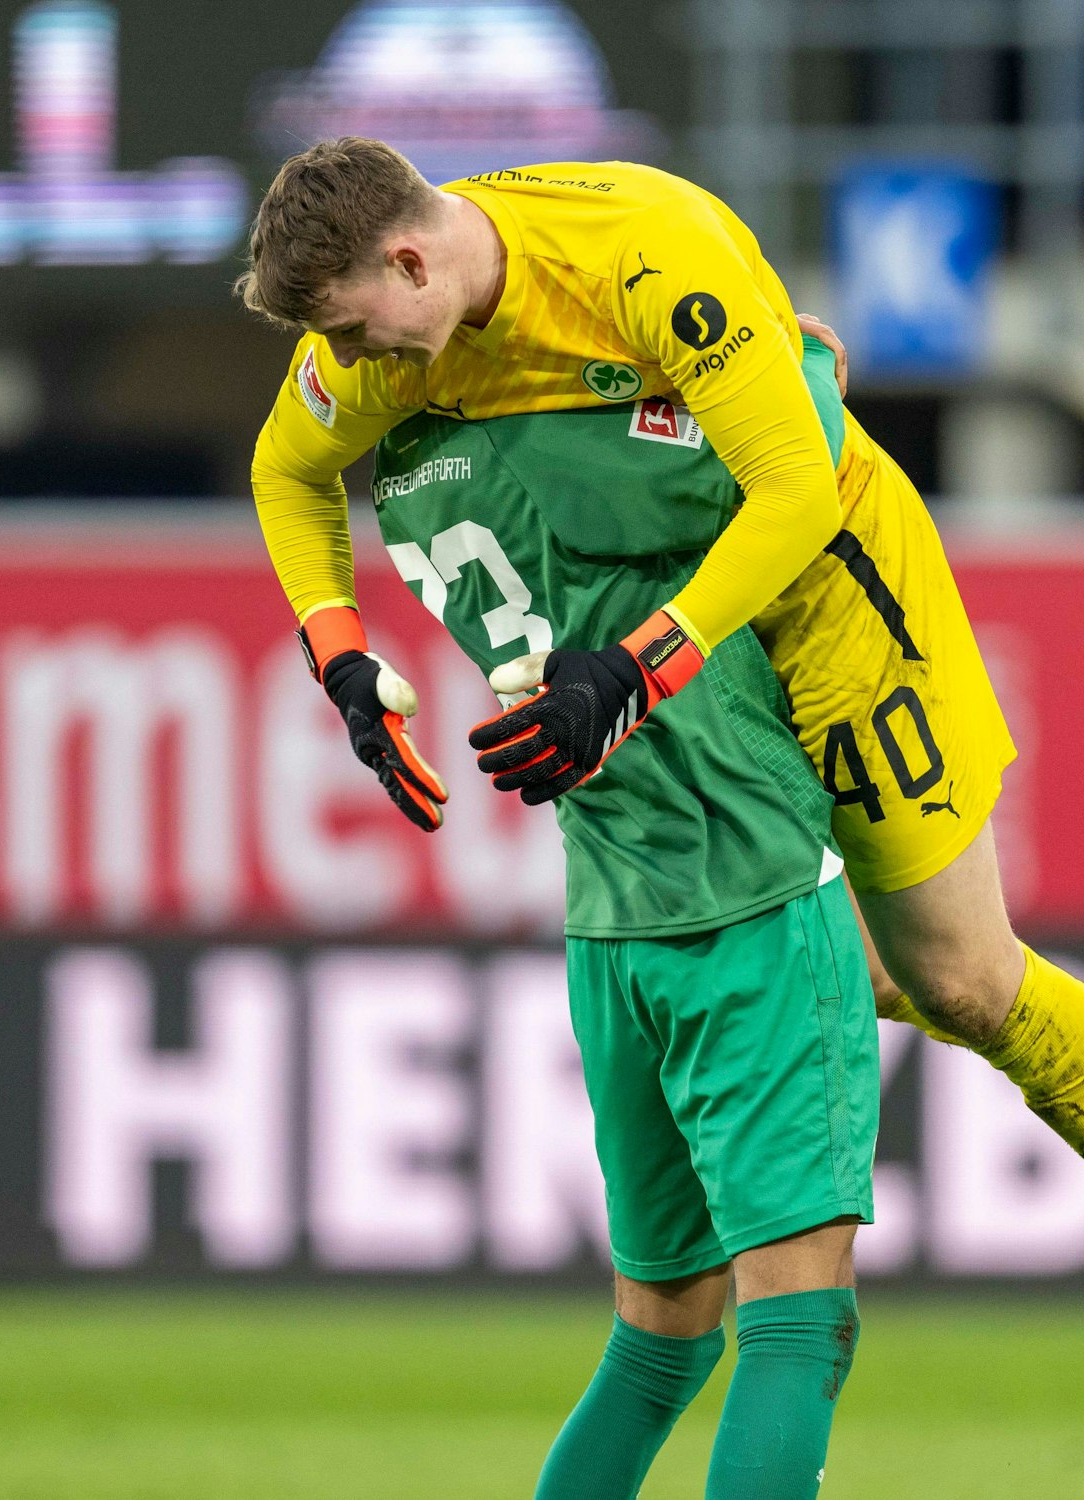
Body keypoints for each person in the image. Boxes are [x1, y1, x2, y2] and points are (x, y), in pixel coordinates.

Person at [239, 138, 1084, 1451]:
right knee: (890, 974)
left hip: (834, 587)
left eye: (365, 333)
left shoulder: (636, 255)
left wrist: (636, 669)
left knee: (953, 975)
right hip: (702, 620)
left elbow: (794, 485)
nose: (366, 367)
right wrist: (338, 647)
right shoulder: (382, 327)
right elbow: (288, 471)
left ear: (407, 256)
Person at [344, 341, 881, 1498]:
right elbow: (798, 464)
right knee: (795, 1325)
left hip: (610, 924)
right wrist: (806, 361)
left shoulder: (405, 475)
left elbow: (291, 462)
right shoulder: (581, 450)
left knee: (659, 1342)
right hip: (749, 893)